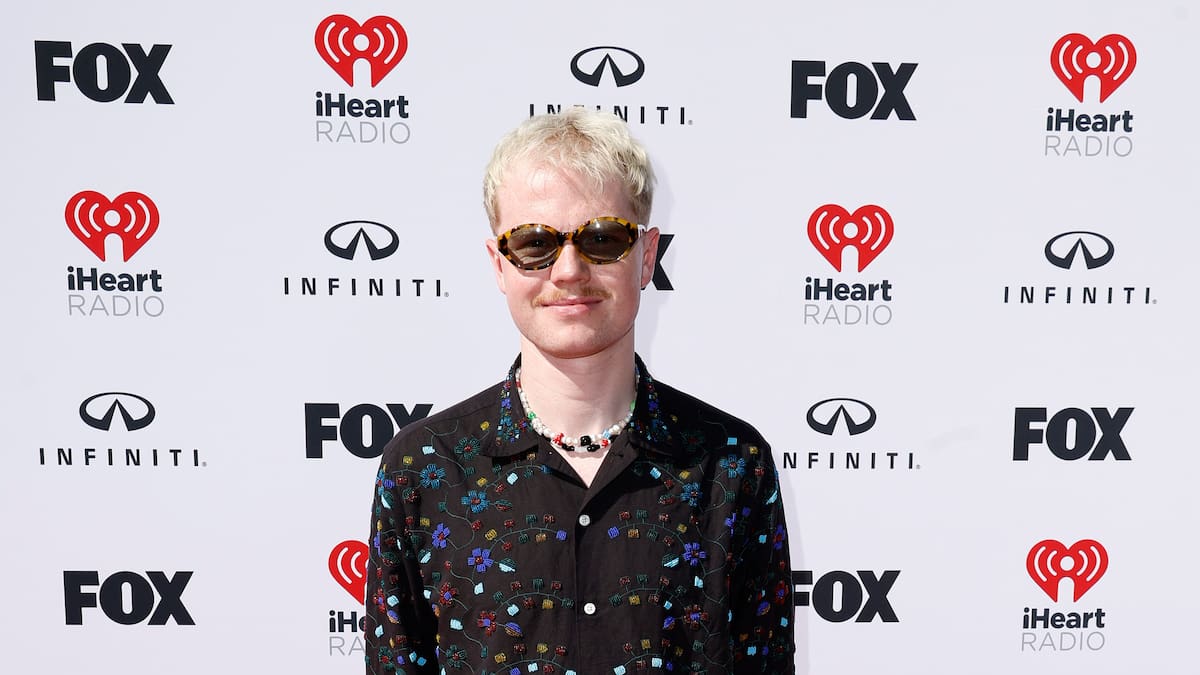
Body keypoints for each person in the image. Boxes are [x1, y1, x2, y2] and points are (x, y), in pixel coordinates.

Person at [364, 108, 794, 674]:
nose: (568, 270)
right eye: (534, 243)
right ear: (499, 264)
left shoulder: (732, 463)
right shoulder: (424, 467)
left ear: (647, 257)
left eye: (602, 238)